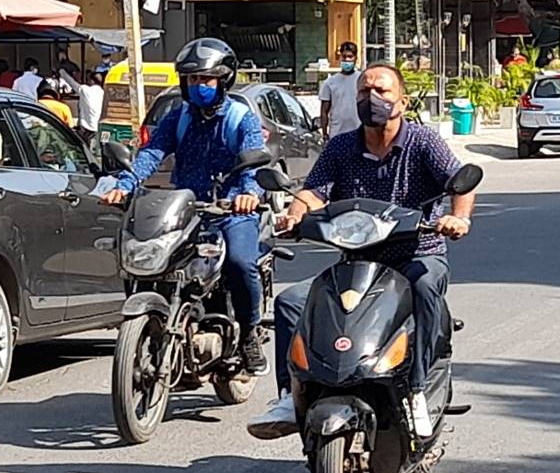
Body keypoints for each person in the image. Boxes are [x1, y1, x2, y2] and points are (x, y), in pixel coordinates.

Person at [248, 62, 477, 442]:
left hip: (417, 255)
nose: (371, 98)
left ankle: (418, 390)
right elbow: (314, 191)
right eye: (363, 91)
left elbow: (461, 182)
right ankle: (292, 396)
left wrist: (458, 218)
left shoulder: (423, 143)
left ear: (401, 101)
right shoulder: (341, 146)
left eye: (382, 91)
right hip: (357, 262)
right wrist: (295, 212)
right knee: (291, 303)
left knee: (424, 289)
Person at [101, 38, 270, 374]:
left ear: (223, 79)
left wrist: (247, 193)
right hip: (186, 209)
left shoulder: (241, 119)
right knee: (149, 258)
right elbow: (152, 153)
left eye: (205, 79)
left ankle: (250, 332)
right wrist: (124, 185)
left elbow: (252, 164)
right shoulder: (178, 116)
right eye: (192, 80)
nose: (198, 86)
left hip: (231, 208)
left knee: (239, 262)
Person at [318, 41, 362, 140]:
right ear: (340, 57)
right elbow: (324, 111)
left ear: (356, 58)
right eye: (344, 57)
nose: (347, 60)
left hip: (359, 133)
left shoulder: (362, 80)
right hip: (337, 134)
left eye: (350, 57)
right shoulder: (330, 83)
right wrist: (324, 133)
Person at [59, 67, 105, 143]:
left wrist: (62, 71)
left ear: (91, 81)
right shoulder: (103, 93)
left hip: (88, 129)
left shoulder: (85, 90)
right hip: (99, 128)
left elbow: (71, 82)